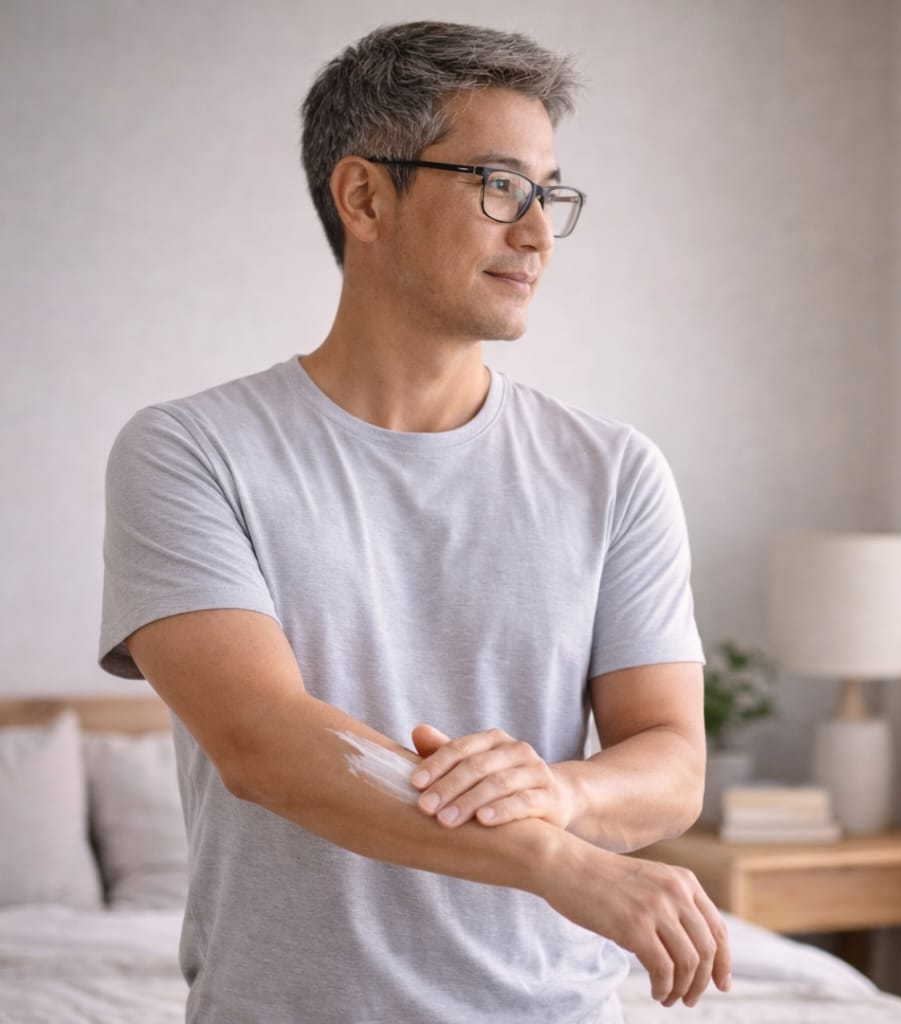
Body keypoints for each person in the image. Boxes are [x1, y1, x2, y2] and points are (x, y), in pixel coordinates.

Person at [99, 20, 730, 1024]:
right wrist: (553, 859)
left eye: (548, 194)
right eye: (497, 185)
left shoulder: (614, 470)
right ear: (364, 196)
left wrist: (558, 794)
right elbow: (263, 741)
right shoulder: (190, 450)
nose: (534, 233)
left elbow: (669, 758)